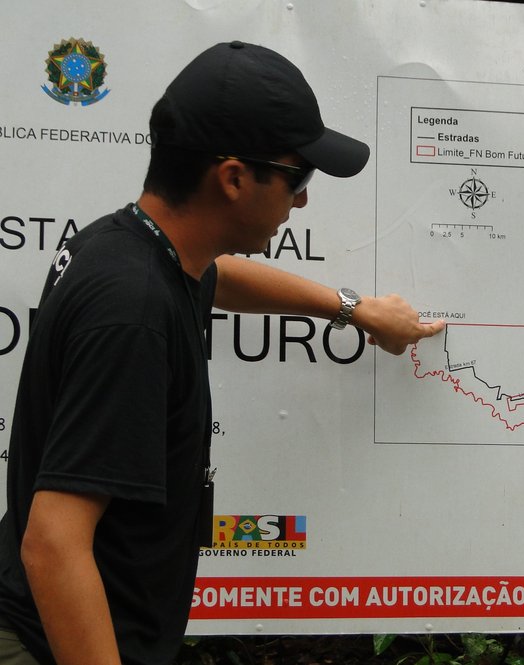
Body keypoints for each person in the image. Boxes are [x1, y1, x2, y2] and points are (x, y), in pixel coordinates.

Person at [0, 41, 444, 665]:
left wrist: (352, 309)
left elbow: (218, 276)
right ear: (234, 178)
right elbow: (53, 545)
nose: (302, 200)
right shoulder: (134, 314)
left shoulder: (130, 246)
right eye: (298, 177)